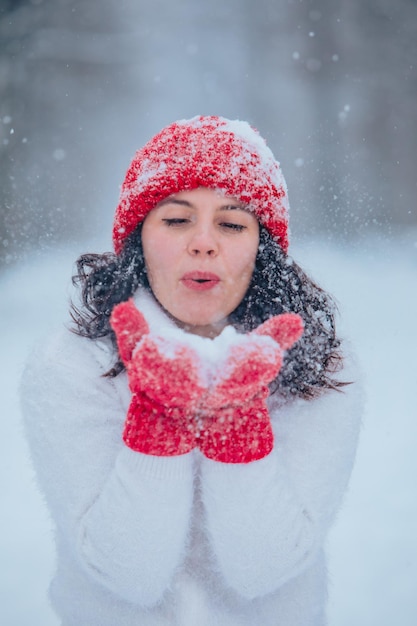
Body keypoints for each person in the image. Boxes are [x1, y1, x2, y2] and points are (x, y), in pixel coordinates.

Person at [20, 115, 363, 626]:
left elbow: (265, 572)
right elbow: (126, 577)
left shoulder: (318, 366)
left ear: (261, 248)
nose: (204, 242)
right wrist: (156, 429)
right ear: (139, 239)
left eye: (231, 223)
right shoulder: (72, 363)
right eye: (176, 220)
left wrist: (237, 428)